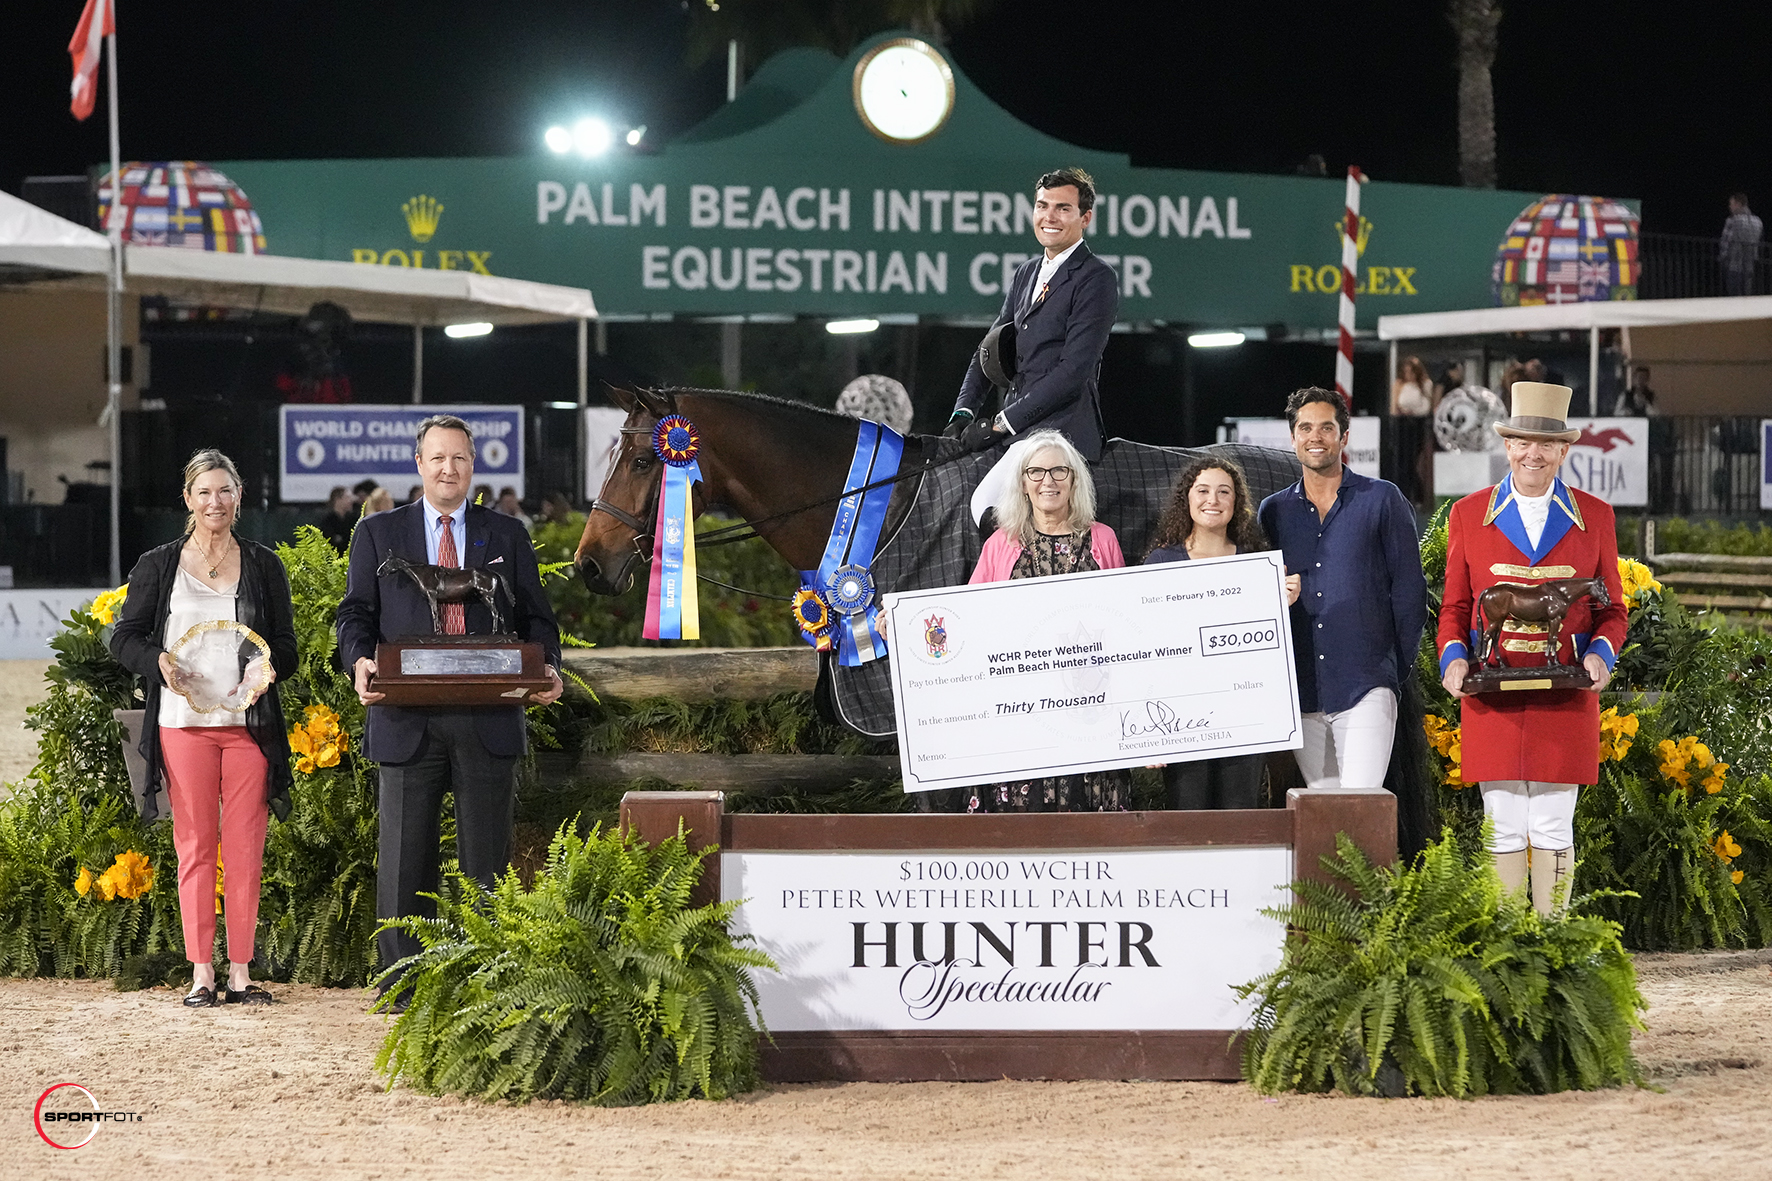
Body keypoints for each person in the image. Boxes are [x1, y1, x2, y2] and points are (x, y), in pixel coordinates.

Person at [336, 414, 564, 1004]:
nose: (448, 469)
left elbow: (538, 618)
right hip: (403, 718)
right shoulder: (378, 534)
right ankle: (403, 988)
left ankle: (486, 983)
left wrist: (550, 667)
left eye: (459, 458)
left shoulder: (506, 534)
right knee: (403, 862)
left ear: (473, 466)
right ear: (419, 465)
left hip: (487, 720)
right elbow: (355, 614)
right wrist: (359, 660)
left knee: (487, 864)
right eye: (437, 458)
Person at [109, 449, 298, 1007]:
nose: (215, 501)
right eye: (204, 492)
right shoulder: (157, 565)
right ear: (188, 500)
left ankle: (240, 972)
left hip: (248, 724)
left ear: (238, 497)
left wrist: (270, 669)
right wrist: (159, 663)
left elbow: (284, 646)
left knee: (245, 848)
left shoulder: (264, 565)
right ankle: (201, 975)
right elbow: (124, 638)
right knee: (194, 844)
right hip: (182, 724)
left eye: (225, 491)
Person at [1437, 383, 1628, 915]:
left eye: (1545, 445)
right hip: (1491, 696)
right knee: (1500, 823)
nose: (1532, 454)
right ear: (1507, 446)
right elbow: (1454, 608)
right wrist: (1454, 659)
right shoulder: (1469, 514)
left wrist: (1599, 656)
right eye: (1522, 442)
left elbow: (1612, 610)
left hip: (1565, 697)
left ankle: (1551, 943)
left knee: (1551, 822)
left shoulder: (1597, 516)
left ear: (1564, 451)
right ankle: (1506, 949)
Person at [1258, 388, 1427, 794]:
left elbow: (1410, 592)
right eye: (1305, 428)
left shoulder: (1382, 499)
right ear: (1293, 437)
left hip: (1366, 682)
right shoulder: (1273, 511)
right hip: (1303, 687)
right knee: (1325, 822)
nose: (1315, 436)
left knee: (1362, 811)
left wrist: (1391, 670)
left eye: (1326, 428)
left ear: (1344, 437)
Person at [967, 429, 1127, 813]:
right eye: (1036, 472)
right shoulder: (999, 545)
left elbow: (1123, 621)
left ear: (1074, 480)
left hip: (1089, 709)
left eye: (1059, 472)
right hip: (1020, 714)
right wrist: (909, 627)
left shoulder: (1102, 539)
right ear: (1023, 483)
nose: (1048, 482)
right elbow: (968, 617)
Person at [945, 168, 1119, 520]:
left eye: (1062, 208)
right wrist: (963, 411)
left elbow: (1072, 372)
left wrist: (999, 423)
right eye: (1042, 206)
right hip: (1021, 432)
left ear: (1085, 218)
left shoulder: (1096, 278)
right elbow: (990, 348)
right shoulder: (1026, 273)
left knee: (986, 507)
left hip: (1062, 431)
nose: (1049, 217)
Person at [1144, 457, 1299, 810]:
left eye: (1223, 492)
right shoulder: (1161, 563)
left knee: (1241, 818)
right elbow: (1146, 650)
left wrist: (1283, 605)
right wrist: (1149, 730)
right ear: (1187, 498)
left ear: (1236, 502)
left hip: (1245, 716)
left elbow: (1270, 649)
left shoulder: (1258, 562)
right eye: (1203, 490)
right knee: (1189, 820)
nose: (1212, 500)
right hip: (1182, 719)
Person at [1389, 355, 1438, 506]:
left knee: (1414, 460)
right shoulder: (1399, 384)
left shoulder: (1425, 384)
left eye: (1411, 372)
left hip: (1417, 423)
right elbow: (1394, 405)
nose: (1408, 375)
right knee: (1402, 460)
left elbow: (1426, 407)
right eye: (1406, 372)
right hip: (1402, 423)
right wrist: (1400, 412)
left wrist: (1414, 411)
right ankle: (1403, 493)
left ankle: (1418, 495)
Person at [1720, 192, 1763, 297]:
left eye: (1731, 204)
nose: (1729, 207)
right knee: (1747, 296)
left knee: (1733, 296)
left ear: (1738, 204)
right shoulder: (1758, 221)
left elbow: (1725, 243)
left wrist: (1722, 258)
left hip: (1733, 264)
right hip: (1750, 265)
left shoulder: (1733, 221)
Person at [318, 486, 354, 553]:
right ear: (338, 500)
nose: (351, 501)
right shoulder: (327, 520)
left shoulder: (352, 519)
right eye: (347, 497)